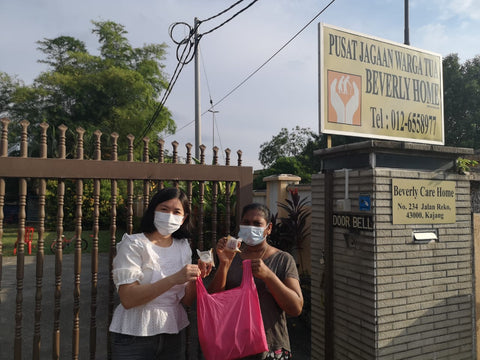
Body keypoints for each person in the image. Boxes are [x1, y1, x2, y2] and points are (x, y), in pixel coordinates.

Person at [109, 187, 212, 360]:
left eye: (176, 211)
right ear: (153, 211)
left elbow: (186, 300)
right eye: (164, 209)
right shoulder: (134, 244)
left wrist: (196, 277)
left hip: (172, 333)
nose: (170, 215)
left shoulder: (182, 247)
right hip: (134, 335)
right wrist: (174, 279)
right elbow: (128, 299)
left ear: (183, 218)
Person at [208, 203, 304, 360]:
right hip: (234, 344)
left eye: (257, 223)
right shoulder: (232, 256)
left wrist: (268, 276)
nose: (250, 227)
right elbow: (213, 299)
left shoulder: (283, 259)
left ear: (269, 228)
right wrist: (224, 263)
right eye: (246, 223)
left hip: (271, 346)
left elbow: (296, 308)